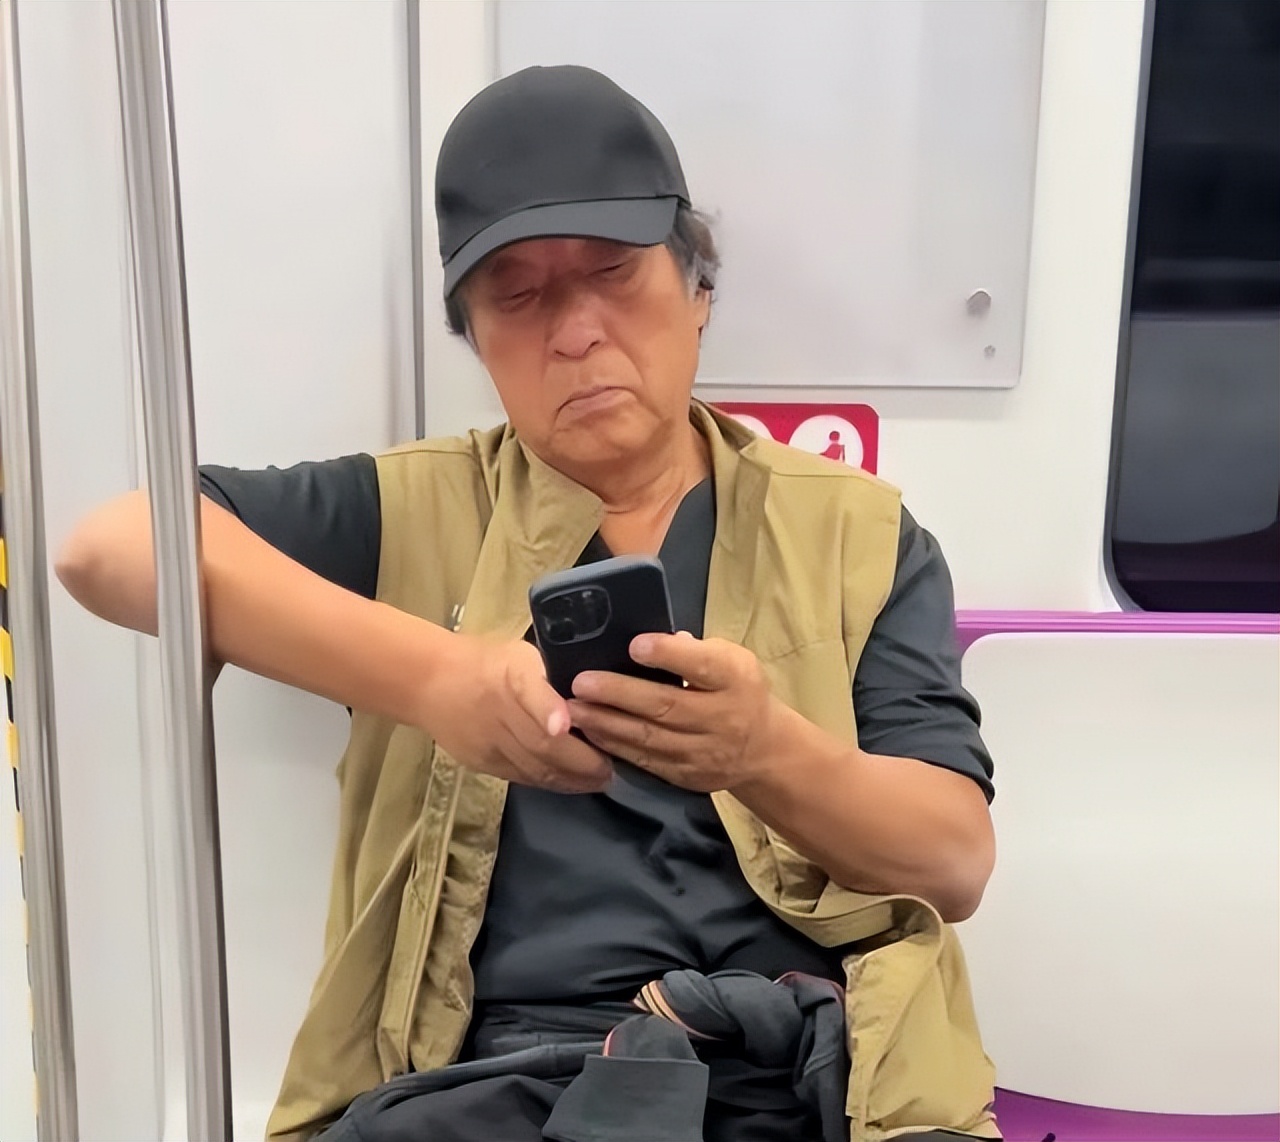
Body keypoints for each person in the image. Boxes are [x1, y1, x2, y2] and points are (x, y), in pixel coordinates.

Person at [56, 66, 998, 1142]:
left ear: (698, 288)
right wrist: (438, 679)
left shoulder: (857, 535)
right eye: (518, 295)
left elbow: (952, 862)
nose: (577, 331)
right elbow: (107, 549)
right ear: (475, 337)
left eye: (614, 272)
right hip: (502, 1085)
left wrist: (762, 751)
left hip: (802, 1079)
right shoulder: (413, 510)